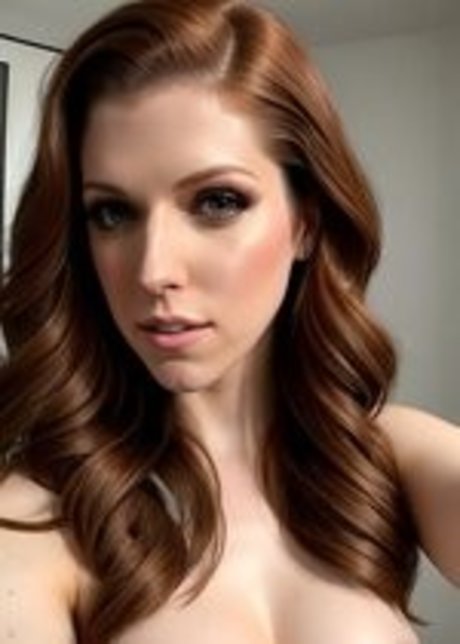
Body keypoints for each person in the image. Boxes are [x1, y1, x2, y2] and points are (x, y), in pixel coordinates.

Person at [0, 0, 458, 642]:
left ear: (305, 223)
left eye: (217, 202)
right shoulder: (31, 524)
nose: (153, 269)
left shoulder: (385, 460)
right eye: (112, 213)